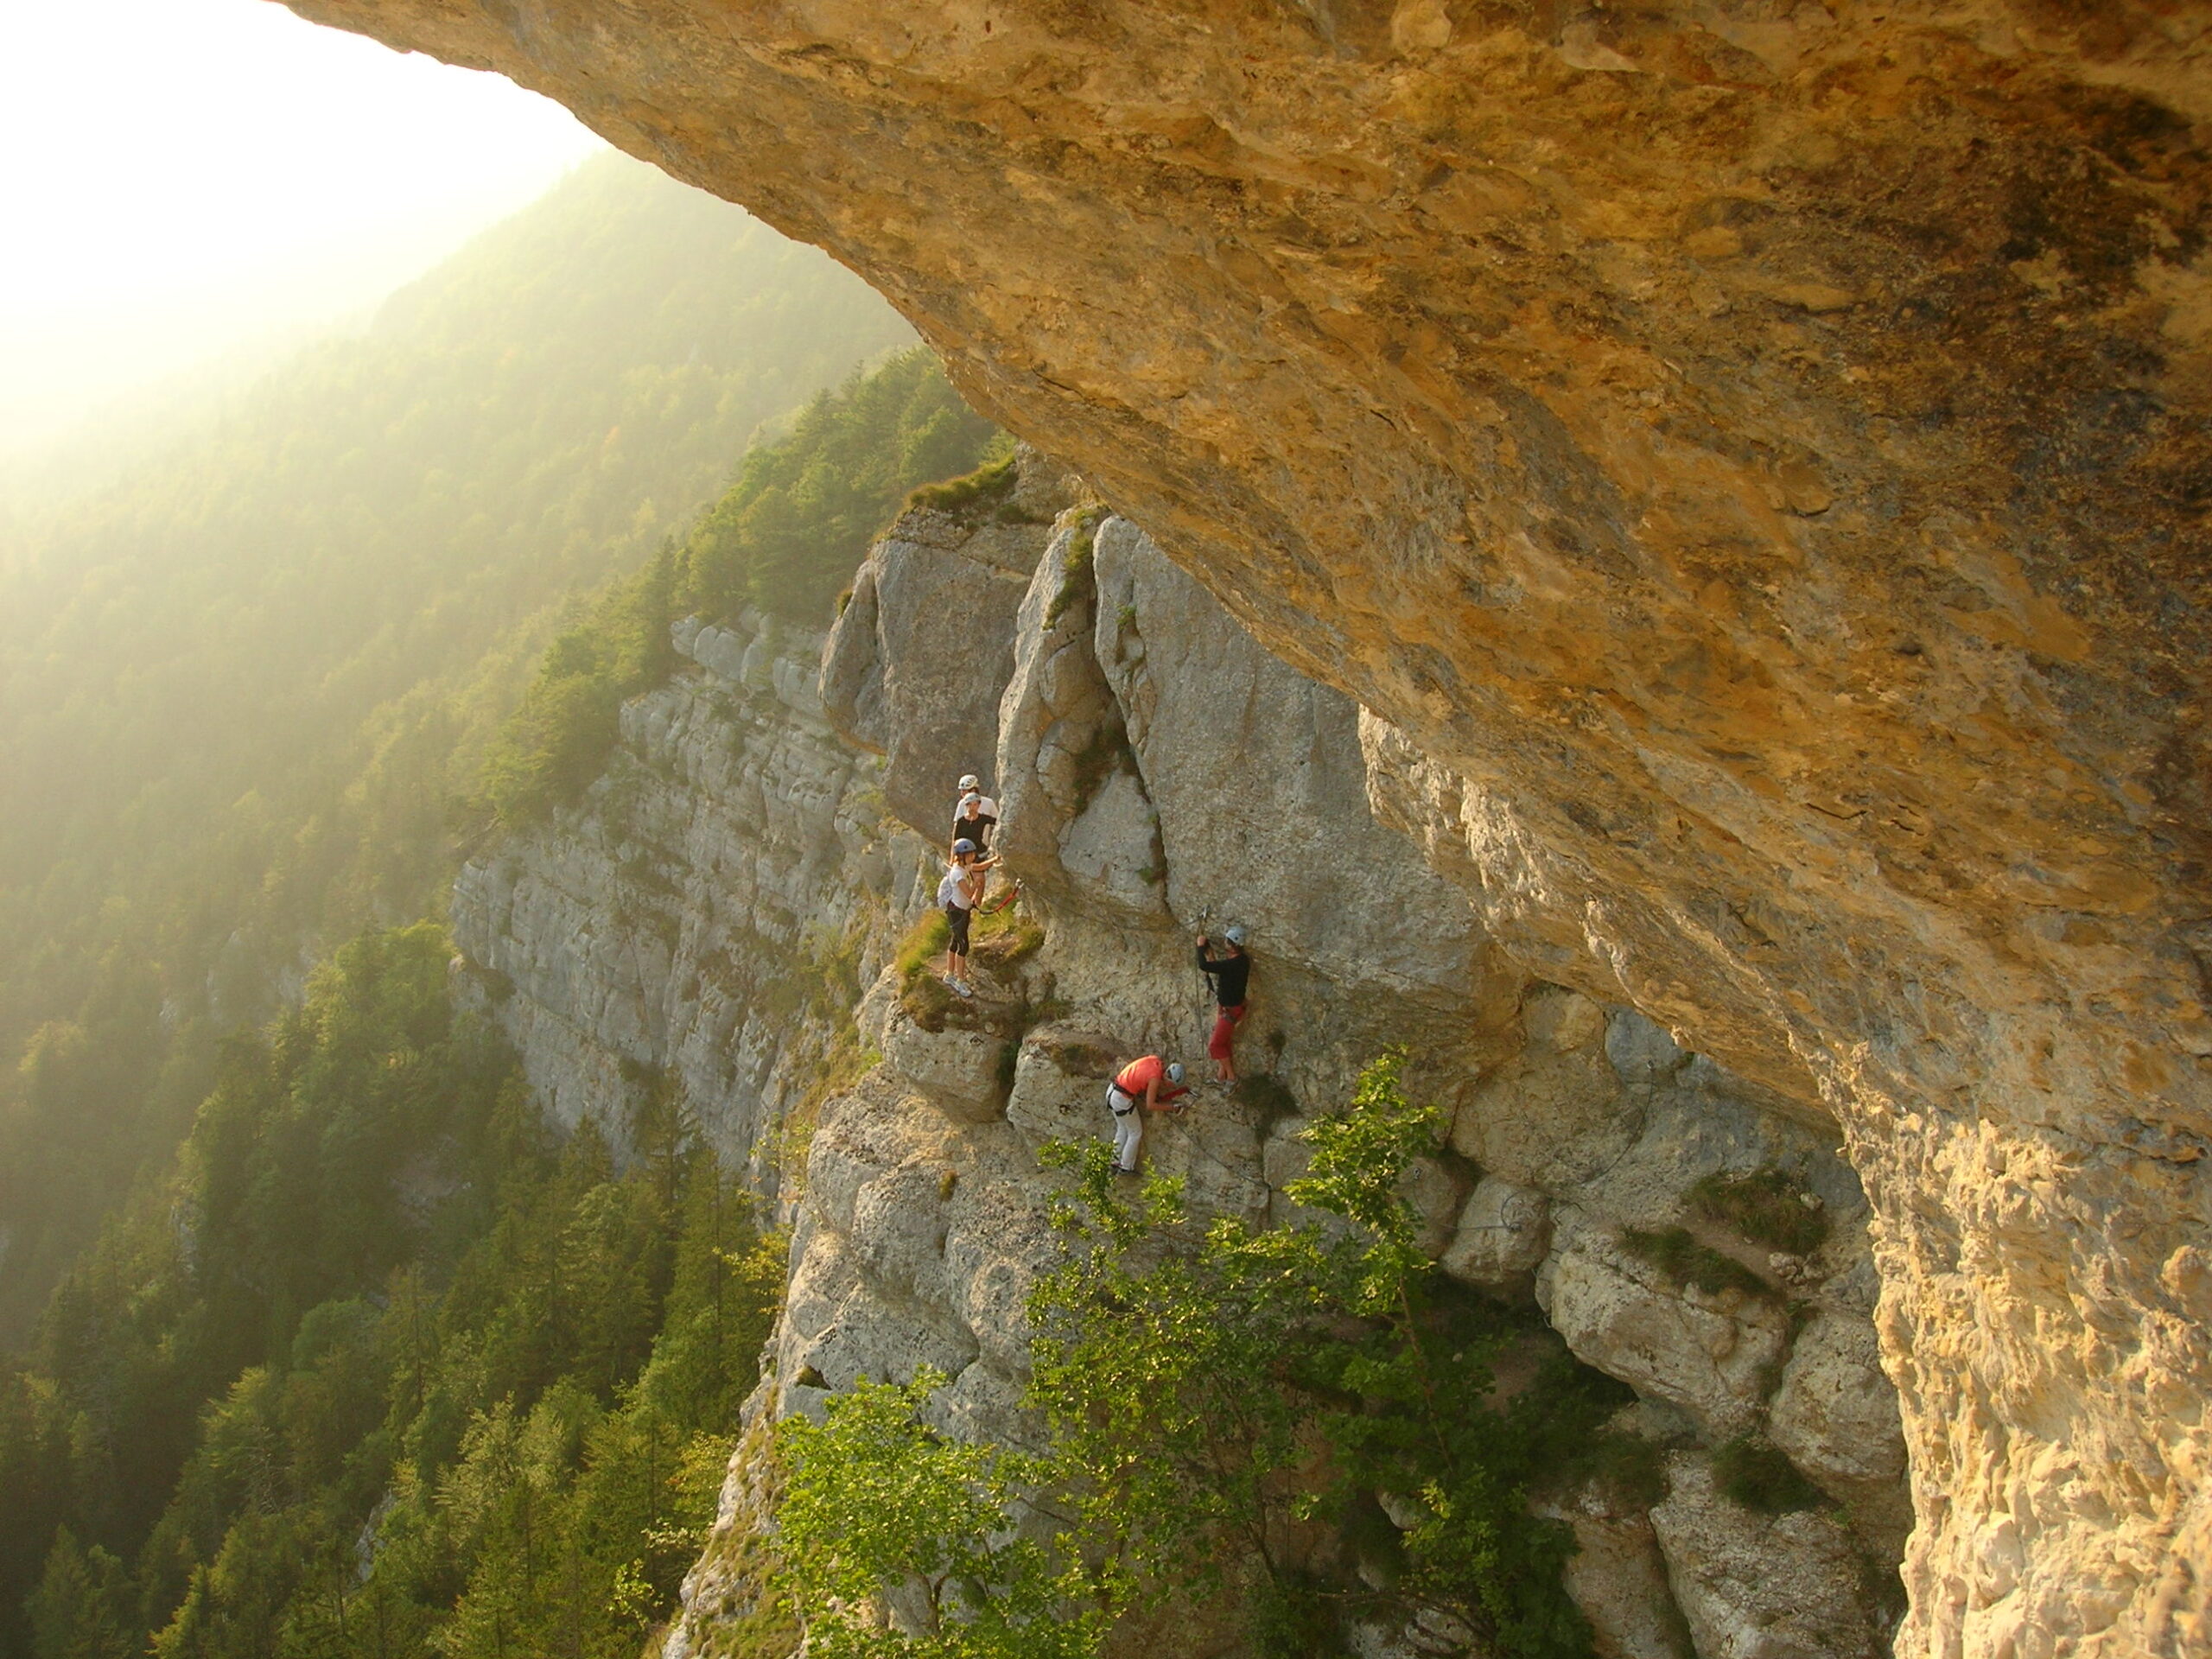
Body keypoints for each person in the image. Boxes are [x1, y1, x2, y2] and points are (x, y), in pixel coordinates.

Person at [1104, 1054, 1189, 1175]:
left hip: (1113, 1090)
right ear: (1170, 1079)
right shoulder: (1154, 1079)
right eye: (1172, 1085)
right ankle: (1126, 1167)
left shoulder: (1155, 1061)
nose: (1169, 1087)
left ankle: (1114, 1161)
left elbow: (1141, 1076)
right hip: (1121, 1099)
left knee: (1122, 1128)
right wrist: (1172, 1108)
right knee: (1135, 1133)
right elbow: (1151, 1105)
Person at [1195, 925, 1251, 1085]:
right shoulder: (1243, 961)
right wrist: (1209, 951)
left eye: (1227, 941)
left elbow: (1204, 966)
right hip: (1232, 1008)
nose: (1224, 943)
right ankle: (1221, 1076)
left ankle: (1232, 1078)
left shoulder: (1231, 965)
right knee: (1224, 1042)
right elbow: (1222, 968)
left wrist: (1200, 946)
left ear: (1232, 945)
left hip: (1230, 1011)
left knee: (1215, 1045)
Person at [938, 839, 988, 997]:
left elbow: (977, 867)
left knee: (955, 942)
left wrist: (994, 860)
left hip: (959, 910)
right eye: (970, 854)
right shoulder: (958, 874)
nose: (973, 857)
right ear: (962, 856)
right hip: (958, 912)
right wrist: (978, 884)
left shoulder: (961, 867)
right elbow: (969, 893)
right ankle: (960, 981)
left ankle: (949, 974)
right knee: (963, 946)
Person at [952, 773, 1000, 853]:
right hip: (964, 849)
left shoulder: (989, 803)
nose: (962, 794)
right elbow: (956, 829)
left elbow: (998, 823)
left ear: (973, 790)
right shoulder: (962, 803)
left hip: (982, 849)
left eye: (964, 791)